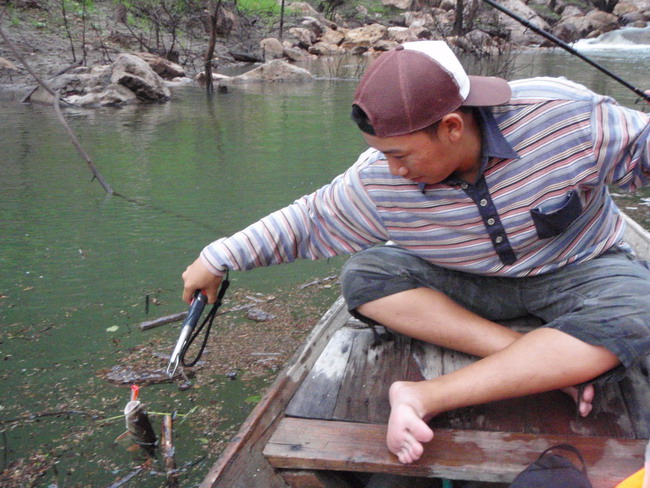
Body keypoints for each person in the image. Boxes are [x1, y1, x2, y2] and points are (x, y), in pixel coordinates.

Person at [182, 40, 650, 465]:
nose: (392, 169)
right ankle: (532, 359)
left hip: (581, 269)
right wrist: (217, 258)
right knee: (365, 275)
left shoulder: (565, 115)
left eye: (400, 155)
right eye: (382, 154)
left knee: (640, 305)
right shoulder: (378, 179)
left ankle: (428, 395)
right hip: (466, 283)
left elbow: (639, 151)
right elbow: (309, 220)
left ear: (451, 127)